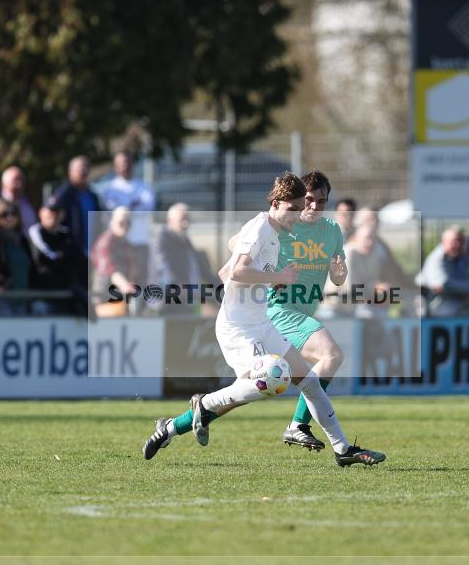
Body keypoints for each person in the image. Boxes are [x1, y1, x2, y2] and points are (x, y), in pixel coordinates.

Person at [142, 172, 385, 467]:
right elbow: (237, 272)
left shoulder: (280, 233)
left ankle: (342, 449)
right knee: (271, 379)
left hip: (263, 324)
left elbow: (224, 273)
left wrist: (267, 281)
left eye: (303, 206)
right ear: (276, 203)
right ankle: (203, 404)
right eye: (294, 208)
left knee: (307, 381)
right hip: (238, 329)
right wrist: (276, 277)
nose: (299, 214)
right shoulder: (259, 229)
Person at [98, 151, 156, 284]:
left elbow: (147, 208)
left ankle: (140, 305)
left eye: (127, 162)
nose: (124, 166)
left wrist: (126, 207)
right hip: (118, 244)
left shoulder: (144, 187)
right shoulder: (110, 189)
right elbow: (113, 210)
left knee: (141, 280)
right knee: (119, 281)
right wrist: (133, 204)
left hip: (139, 241)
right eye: (121, 163)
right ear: (115, 166)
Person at [27, 197, 89, 316]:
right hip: (45, 298)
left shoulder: (67, 235)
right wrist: (66, 260)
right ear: (41, 212)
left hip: (68, 297)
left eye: (57, 211)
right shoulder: (35, 233)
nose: (53, 214)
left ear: (63, 214)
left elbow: (82, 262)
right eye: (49, 210)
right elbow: (45, 258)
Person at [149, 203, 215, 315]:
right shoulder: (161, 241)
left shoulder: (185, 241)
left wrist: (222, 286)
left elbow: (201, 270)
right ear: (170, 220)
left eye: (188, 220)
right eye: (182, 220)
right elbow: (166, 274)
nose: (186, 224)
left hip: (185, 302)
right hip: (164, 306)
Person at [416, 226, 469, 316]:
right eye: (454, 241)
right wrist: (465, 292)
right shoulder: (436, 258)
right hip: (434, 312)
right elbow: (443, 283)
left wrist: (456, 289)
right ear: (443, 242)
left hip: (457, 312)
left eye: (460, 241)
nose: (457, 244)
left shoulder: (466, 259)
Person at [90, 207, 139, 316]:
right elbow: (110, 271)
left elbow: (134, 273)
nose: (125, 225)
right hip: (104, 302)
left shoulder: (128, 245)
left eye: (128, 222)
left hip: (123, 302)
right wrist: (126, 287)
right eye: (121, 222)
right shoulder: (105, 243)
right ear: (112, 222)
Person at [52, 155, 100, 257]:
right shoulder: (64, 193)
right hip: (72, 252)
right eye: (80, 168)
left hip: (92, 251)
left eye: (86, 167)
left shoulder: (93, 196)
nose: (83, 171)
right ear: (70, 172)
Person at [0, 165, 37, 234]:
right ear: (5, 183)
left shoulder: (26, 202)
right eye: (15, 180)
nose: (19, 184)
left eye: (21, 180)